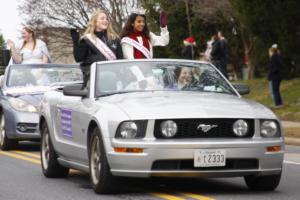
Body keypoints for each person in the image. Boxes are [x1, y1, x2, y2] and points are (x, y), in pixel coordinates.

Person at [70, 10, 123, 87]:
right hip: (94, 78)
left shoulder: (115, 39)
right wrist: (75, 39)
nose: (105, 20)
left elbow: (120, 59)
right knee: (108, 75)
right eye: (102, 18)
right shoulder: (87, 39)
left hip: (114, 78)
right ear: (94, 22)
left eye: (106, 19)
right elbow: (78, 58)